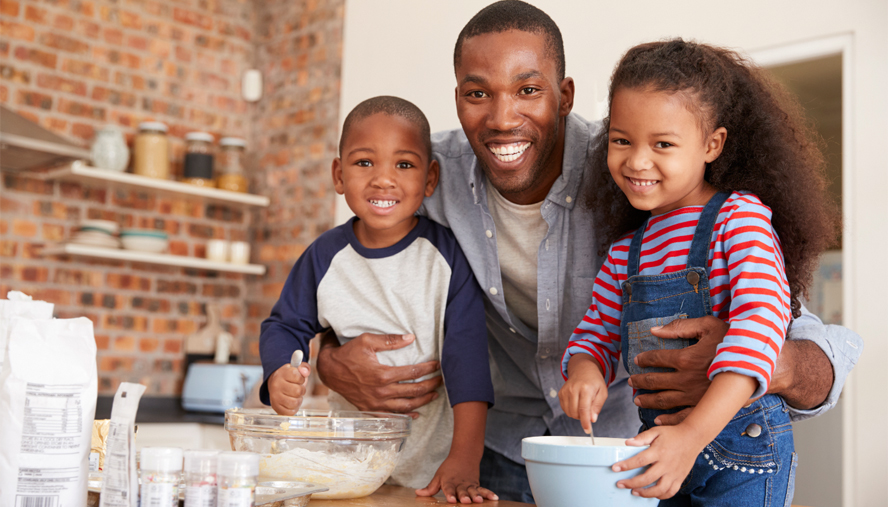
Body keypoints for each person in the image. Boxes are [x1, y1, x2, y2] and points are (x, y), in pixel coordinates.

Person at [315, 1, 863, 502]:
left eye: (528, 89)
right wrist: (325, 358)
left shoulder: (640, 181)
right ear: (457, 95)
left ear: (566, 94)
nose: (503, 117)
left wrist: (759, 365)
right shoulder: (425, 173)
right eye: (478, 92)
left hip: (635, 450)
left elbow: (795, 331)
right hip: (505, 446)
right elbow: (346, 269)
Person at [559, 39, 838, 504]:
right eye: (621, 140)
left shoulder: (739, 219)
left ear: (712, 144)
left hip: (742, 449)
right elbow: (595, 335)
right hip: (663, 449)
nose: (637, 161)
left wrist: (691, 437)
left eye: (662, 144)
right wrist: (585, 372)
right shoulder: (625, 252)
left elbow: (759, 329)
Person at [258, 96, 498, 504]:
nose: (383, 180)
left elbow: (468, 357)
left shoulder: (446, 257)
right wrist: (278, 371)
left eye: (403, 165)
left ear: (429, 178)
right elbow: (285, 325)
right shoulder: (324, 257)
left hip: (433, 472)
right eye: (364, 162)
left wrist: (464, 456)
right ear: (338, 174)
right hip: (350, 467)